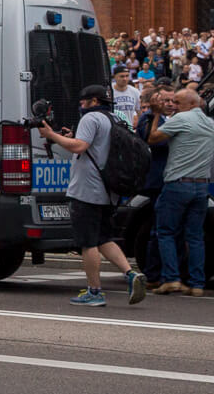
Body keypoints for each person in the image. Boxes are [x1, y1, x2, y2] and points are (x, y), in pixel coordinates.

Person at [38, 84, 148, 306]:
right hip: (109, 190)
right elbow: (96, 146)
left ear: (94, 101)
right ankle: (131, 274)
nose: (81, 104)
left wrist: (51, 135)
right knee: (104, 238)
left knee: (88, 243)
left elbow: (79, 147)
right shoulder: (115, 118)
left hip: (87, 190)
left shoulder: (91, 118)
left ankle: (94, 292)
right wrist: (70, 136)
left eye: (83, 101)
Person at [146, 85, 211, 296]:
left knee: (166, 232)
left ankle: (172, 279)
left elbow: (153, 138)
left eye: (178, 103)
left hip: (177, 182)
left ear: (192, 104)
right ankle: (197, 283)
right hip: (202, 184)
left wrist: (156, 115)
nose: (174, 106)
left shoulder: (181, 120)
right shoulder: (211, 124)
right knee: (195, 236)